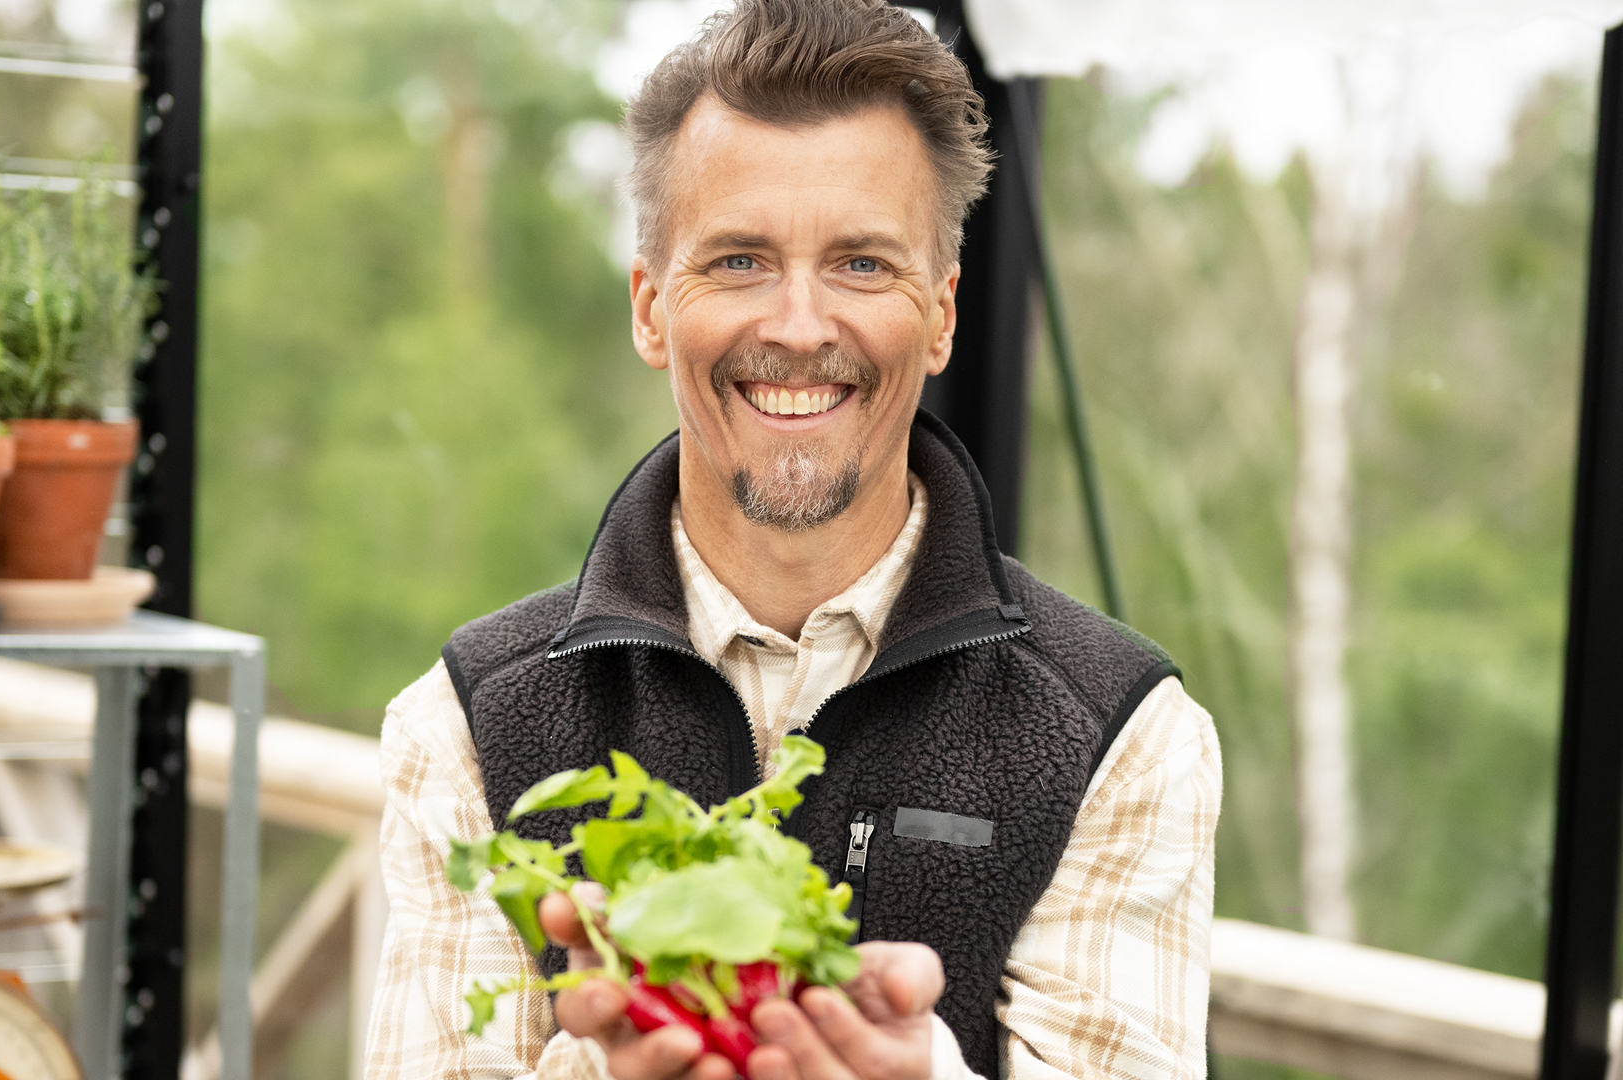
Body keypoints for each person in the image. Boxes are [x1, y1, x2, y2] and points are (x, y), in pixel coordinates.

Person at [364, 1, 1222, 1078]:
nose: (800, 327)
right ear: (650, 307)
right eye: (738, 262)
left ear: (944, 312)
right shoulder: (466, 725)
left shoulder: (1122, 736)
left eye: (863, 264)